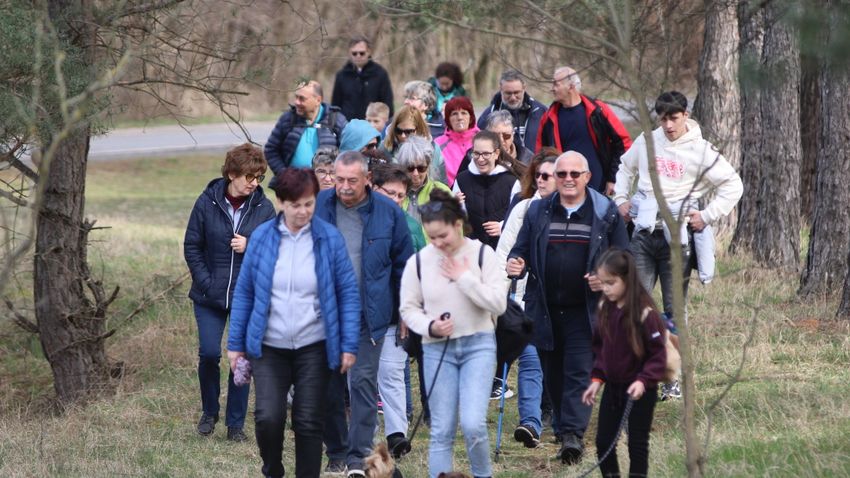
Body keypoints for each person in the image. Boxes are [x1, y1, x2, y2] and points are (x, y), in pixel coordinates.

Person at [226, 167, 361, 478]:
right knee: (268, 417)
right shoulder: (262, 238)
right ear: (281, 203)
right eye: (296, 205)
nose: (303, 212)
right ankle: (273, 469)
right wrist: (235, 345)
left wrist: (348, 345)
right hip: (269, 346)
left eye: (309, 204)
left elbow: (347, 294)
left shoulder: (328, 238)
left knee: (308, 420)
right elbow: (245, 291)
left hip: (314, 345)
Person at [613, 91, 743, 399]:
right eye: (663, 119)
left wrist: (707, 215)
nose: (668, 126)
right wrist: (620, 199)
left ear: (685, 115)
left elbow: (733, 185)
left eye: (674, 118)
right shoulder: (647, 142)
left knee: (673, 311)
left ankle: (671, 378)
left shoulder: (700, 150)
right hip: (643, 234)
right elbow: (624, 168)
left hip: (677, 239)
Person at [506, 151, 629, 465]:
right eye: (562, 174)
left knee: (578, 370)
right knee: (553, 371)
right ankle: (564, 428)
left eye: (575, 174)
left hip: (586, 308)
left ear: (587, 177)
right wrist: (517, 263)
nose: (568, 179)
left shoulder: (605, 211)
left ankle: (573, 435)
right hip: (545, 305)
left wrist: (606, 278)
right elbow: (521, 251)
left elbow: (624, 258)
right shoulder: (538, 212)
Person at [315, 151, 414, 477]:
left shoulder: (388, 213)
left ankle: (357, 459)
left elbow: (404, 265)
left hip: (369, 314)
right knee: (328, 387)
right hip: (325, 314)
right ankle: (337, 450)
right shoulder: (319, 206)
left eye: (351, 181)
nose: (343, 186)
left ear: (367, 179)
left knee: (363, 384)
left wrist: (405, 310)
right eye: (338, 178)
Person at [399, 189, 507, 478]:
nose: (437, 244)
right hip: (436, 348)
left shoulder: (483, 254)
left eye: (442, 236)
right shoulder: (419, 261)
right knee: (441, 429)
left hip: (479, 344)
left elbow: (498, 303)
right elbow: (408, 309)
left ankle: (482, 474)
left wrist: (465, 279)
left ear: (458, 224)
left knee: (473, 424)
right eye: (431, 237)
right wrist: (430, 326)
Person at [183, 143, 276, 442]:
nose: (254, 183)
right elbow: (192, 247)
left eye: (259, 177)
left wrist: (252, 246)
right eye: (249, 177)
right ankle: (209, 411)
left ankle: (235, 424)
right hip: (209, 296)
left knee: (242, 360)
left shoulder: (265, 208)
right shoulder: (206, 202)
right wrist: (207, 282)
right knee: (209, 353)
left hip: (246, 297)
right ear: (232, 174)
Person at [582, 248, 667, 478]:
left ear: (626, 279)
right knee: (603, 442)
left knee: (637, 444)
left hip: (641, 390)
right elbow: (601, 349)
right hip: (614, 388)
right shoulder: (604, 309)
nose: (606, 288)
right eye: (603, 283)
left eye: (611, 283)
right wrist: (596, 379)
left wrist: (643, 380)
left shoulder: (645, 313)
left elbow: (658, 356)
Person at [494, 150, 560, 447]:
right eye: (538, 175)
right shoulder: (523, 210)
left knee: (557, 362)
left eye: (548, 176)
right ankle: (529, 423)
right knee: (531, 359)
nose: (542, 181)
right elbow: (504, 256)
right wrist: (499, 296)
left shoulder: (576, 211)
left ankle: (556, 417)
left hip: (563, 302)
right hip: (526, 299)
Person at [370, 164, 426, 459]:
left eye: (400, 195)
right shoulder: (358, 219)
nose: (394, 200)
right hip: (363, 314)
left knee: (391, 372)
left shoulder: (410, 226)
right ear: (373, 188)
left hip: (395, 312)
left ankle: (396, 434)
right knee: (362, 376)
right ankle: (359, 433)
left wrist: (410, 311)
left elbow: (417, 271)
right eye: (387, 193)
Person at [536, 66, 632, 195]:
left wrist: (613, 178)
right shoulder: (548, 118)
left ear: (570, 87)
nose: (552, 88)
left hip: (599, 188)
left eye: (556, 84)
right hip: (564, 189)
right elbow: (540, 154)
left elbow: (623, 143)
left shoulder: (598, 110)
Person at [265, 80, 348, 187]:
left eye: (302, 99)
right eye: (296, 97)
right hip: (293, 187)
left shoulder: (336, 120)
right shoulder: (287, 119)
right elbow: (271, 149)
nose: (297, 102)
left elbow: (349, 152)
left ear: (318, 100)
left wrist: (334, 176)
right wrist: (284, 174)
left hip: (326, 186)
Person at [452, 130, 519, 251]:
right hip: (472, 253)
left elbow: (520, 218)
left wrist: (502, 227)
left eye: (486, 154)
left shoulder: (511, 182)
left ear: (496, 153)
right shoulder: (462, 180)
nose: (480, 159)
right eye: (476, 154)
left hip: (502, 252)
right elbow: (453, 223)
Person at [477, 70, 547, 153]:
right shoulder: (489, 115)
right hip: (499, 164)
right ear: (501, 89)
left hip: (533, 164)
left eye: (516, 92)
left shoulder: (540, 111)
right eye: (508, 93)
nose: (513, 98)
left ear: (524, 88)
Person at [331, 35, 394, 121]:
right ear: (349, 53)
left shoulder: (380, 74)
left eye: (362, 53)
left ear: (369, 52)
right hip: (347, 125)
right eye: (354, 53)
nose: (358, 56)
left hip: (372, 125)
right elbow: (336, 105)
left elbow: (387, 104)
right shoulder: (342, 75)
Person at [381, 105, 447, 184]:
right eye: (399, 131)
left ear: (419, 129)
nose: (403, 136)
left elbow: (441, 181)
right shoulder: (385, 148)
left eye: (408, 132)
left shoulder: (433, 149)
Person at [394, 135, 452, 223]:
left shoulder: (442, 192)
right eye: (410, 168)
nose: (415, 173)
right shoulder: (392, 193)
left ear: (428, 166)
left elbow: (455, 230)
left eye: (421, 168)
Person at [434, 96, 479, 187]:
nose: (459, 118)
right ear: (448, 119)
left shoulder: (484, 139)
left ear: (471, 117)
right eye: (454, 114)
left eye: (464, 113)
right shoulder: (438, 144)